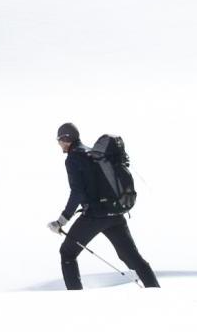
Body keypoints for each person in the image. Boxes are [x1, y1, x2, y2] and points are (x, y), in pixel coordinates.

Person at [49, 123, 161, 290]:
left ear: (66, 139)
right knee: (132, 258)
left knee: (67, 253)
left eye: (59, 140)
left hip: (95, 216)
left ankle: (74, 298)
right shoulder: (94, 153)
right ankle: (155, 291)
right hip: (115, 214)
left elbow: (77, 193)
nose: (59, 144)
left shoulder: (73, 158)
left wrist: (61, 221)